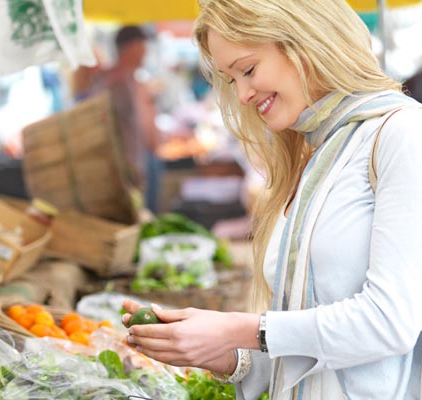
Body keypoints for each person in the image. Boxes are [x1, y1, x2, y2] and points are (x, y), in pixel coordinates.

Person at [122, 1, 422, 399]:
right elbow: (305, 345)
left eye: (247, 69)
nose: (243, 94)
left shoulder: (401, 133)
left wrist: (239, 328)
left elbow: (389, 323)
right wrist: (223, 354)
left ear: (305, 41)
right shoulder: (315, 154)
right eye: (231, 80)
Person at [89, 25, 163, 212]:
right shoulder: (112, 82)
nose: (145, 53)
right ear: (133, 47)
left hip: (139, 163)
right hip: (126, 168)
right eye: (142, 47)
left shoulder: (132, 81)